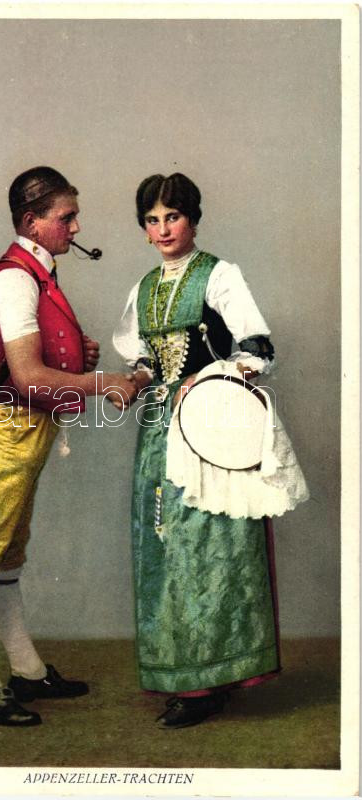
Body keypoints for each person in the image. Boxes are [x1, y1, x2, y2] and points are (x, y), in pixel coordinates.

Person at [113, 172, 308, 729]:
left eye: (172, 217)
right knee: (164, 542)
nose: (162, 229)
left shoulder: (219, 275)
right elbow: (144, 358)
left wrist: (205, 377)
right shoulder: (143, 288)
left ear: (193, 220)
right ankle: (186, 677)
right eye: (152, 220)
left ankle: (214, 680)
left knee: (211, 544)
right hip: (159, 431)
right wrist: (136, 380)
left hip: (211, 425)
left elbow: (257, 350)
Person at [0, 166, 136, 727]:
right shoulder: (16, 280)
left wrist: (76, 352)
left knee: (7, 557)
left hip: (24, 435)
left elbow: (31, 358)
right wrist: (103, 382)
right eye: (66, 217)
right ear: (32, 222)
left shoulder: (35, 273)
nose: (75, 227)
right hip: (3, 435)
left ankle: (27, 673)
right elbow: (27, 377)